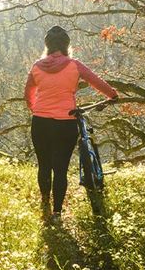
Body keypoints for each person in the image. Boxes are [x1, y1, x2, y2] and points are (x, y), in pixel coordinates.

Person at [24, 26, 118, 223]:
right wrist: (112, 95)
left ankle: (44, 202)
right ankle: (57, 213)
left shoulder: (36, 66)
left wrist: (37, 110)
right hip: (65, 123)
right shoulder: (74, 65)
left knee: (44, 165)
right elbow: (96, 81)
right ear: (67, 46)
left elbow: (28, 95)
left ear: (47, 46)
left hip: (40, 122)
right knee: (60, 168)